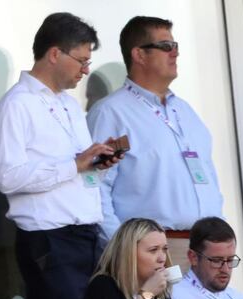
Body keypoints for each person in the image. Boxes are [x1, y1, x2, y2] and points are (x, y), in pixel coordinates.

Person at [0, 12, 119, 299]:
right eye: (81, 60)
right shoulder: (16, 104)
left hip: (87, 234)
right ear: (54, 54)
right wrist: (75, 164)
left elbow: (75, 170)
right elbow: (8, 177)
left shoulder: (68, 104)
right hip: (49, 239)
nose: (86, 70)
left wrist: (96, 166)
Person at [87, 16, 223, 269]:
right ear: (139, 54)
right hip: (151, 252)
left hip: (205, 249)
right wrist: (122, 249)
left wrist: (220, 239)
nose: (175, 53)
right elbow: (94, 188)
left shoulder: (186, 111)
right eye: (165, 46)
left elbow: (209, 178)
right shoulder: (111, 113)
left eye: (176, 46)